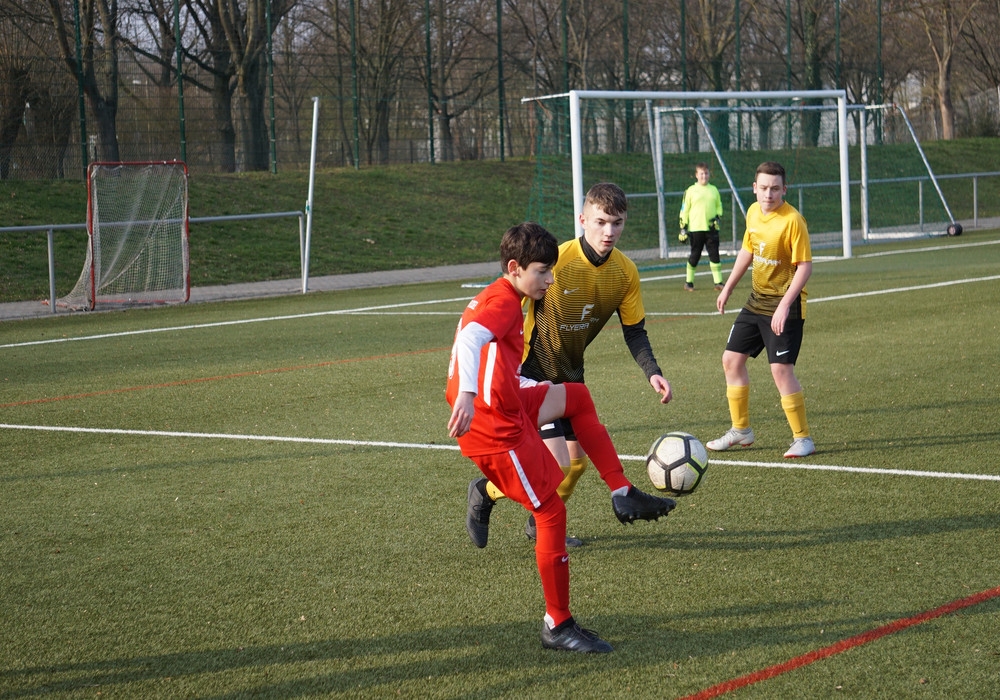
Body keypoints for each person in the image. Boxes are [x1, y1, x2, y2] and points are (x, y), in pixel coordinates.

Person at [447, 222, 676, 653]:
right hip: (495, 426)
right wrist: (467, 395)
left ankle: (622, 491)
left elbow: (482, 346)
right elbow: (472, 338)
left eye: (552, 271)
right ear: (514, 268)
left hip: (509, 399)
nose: (550, 280)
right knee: (550, 511)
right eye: (542, 272)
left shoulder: (503, 294)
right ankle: (558, 623)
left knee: (577, 397)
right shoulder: (505, 302)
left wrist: (509, 385)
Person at [465, 183, 673, 549]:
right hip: (530, 373)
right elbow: (507, 300)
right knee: (557, 465)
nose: (609, 231)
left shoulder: (625, 273)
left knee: (575, 465)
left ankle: (523, 514)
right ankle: (491, 496)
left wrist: (652, 370)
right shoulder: (554, 262)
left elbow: (634, 331)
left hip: (571, 374)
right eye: (601, 222)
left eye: (617, 223)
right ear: (583, 220)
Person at [708, 161, 815, 459]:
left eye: (775, 189)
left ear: (784, 189)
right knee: (731, 360)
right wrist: (728, 287)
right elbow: (748, 251)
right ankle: (741, 430)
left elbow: (805, 267)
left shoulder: (793, 221)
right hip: (757, 300)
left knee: (780, 370)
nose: (769, 194)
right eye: (764, 188)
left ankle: (803, 438)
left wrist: (784, 306)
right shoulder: (753, 212)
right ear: (755, 188)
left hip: (785, 304)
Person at [678, 162, 725, 292]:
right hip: (695, 228)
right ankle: (689, 283)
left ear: (709, 174)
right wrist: (683, 228)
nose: (704, 176)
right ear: (696, 175)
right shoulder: (690, 191)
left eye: (706, 173)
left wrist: (717, 217)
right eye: (701, 173)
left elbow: (719, 206)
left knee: (714, 255)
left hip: (711, 229)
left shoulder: (714, 190)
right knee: (695, 255)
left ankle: (718, 282)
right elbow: (684, 209)